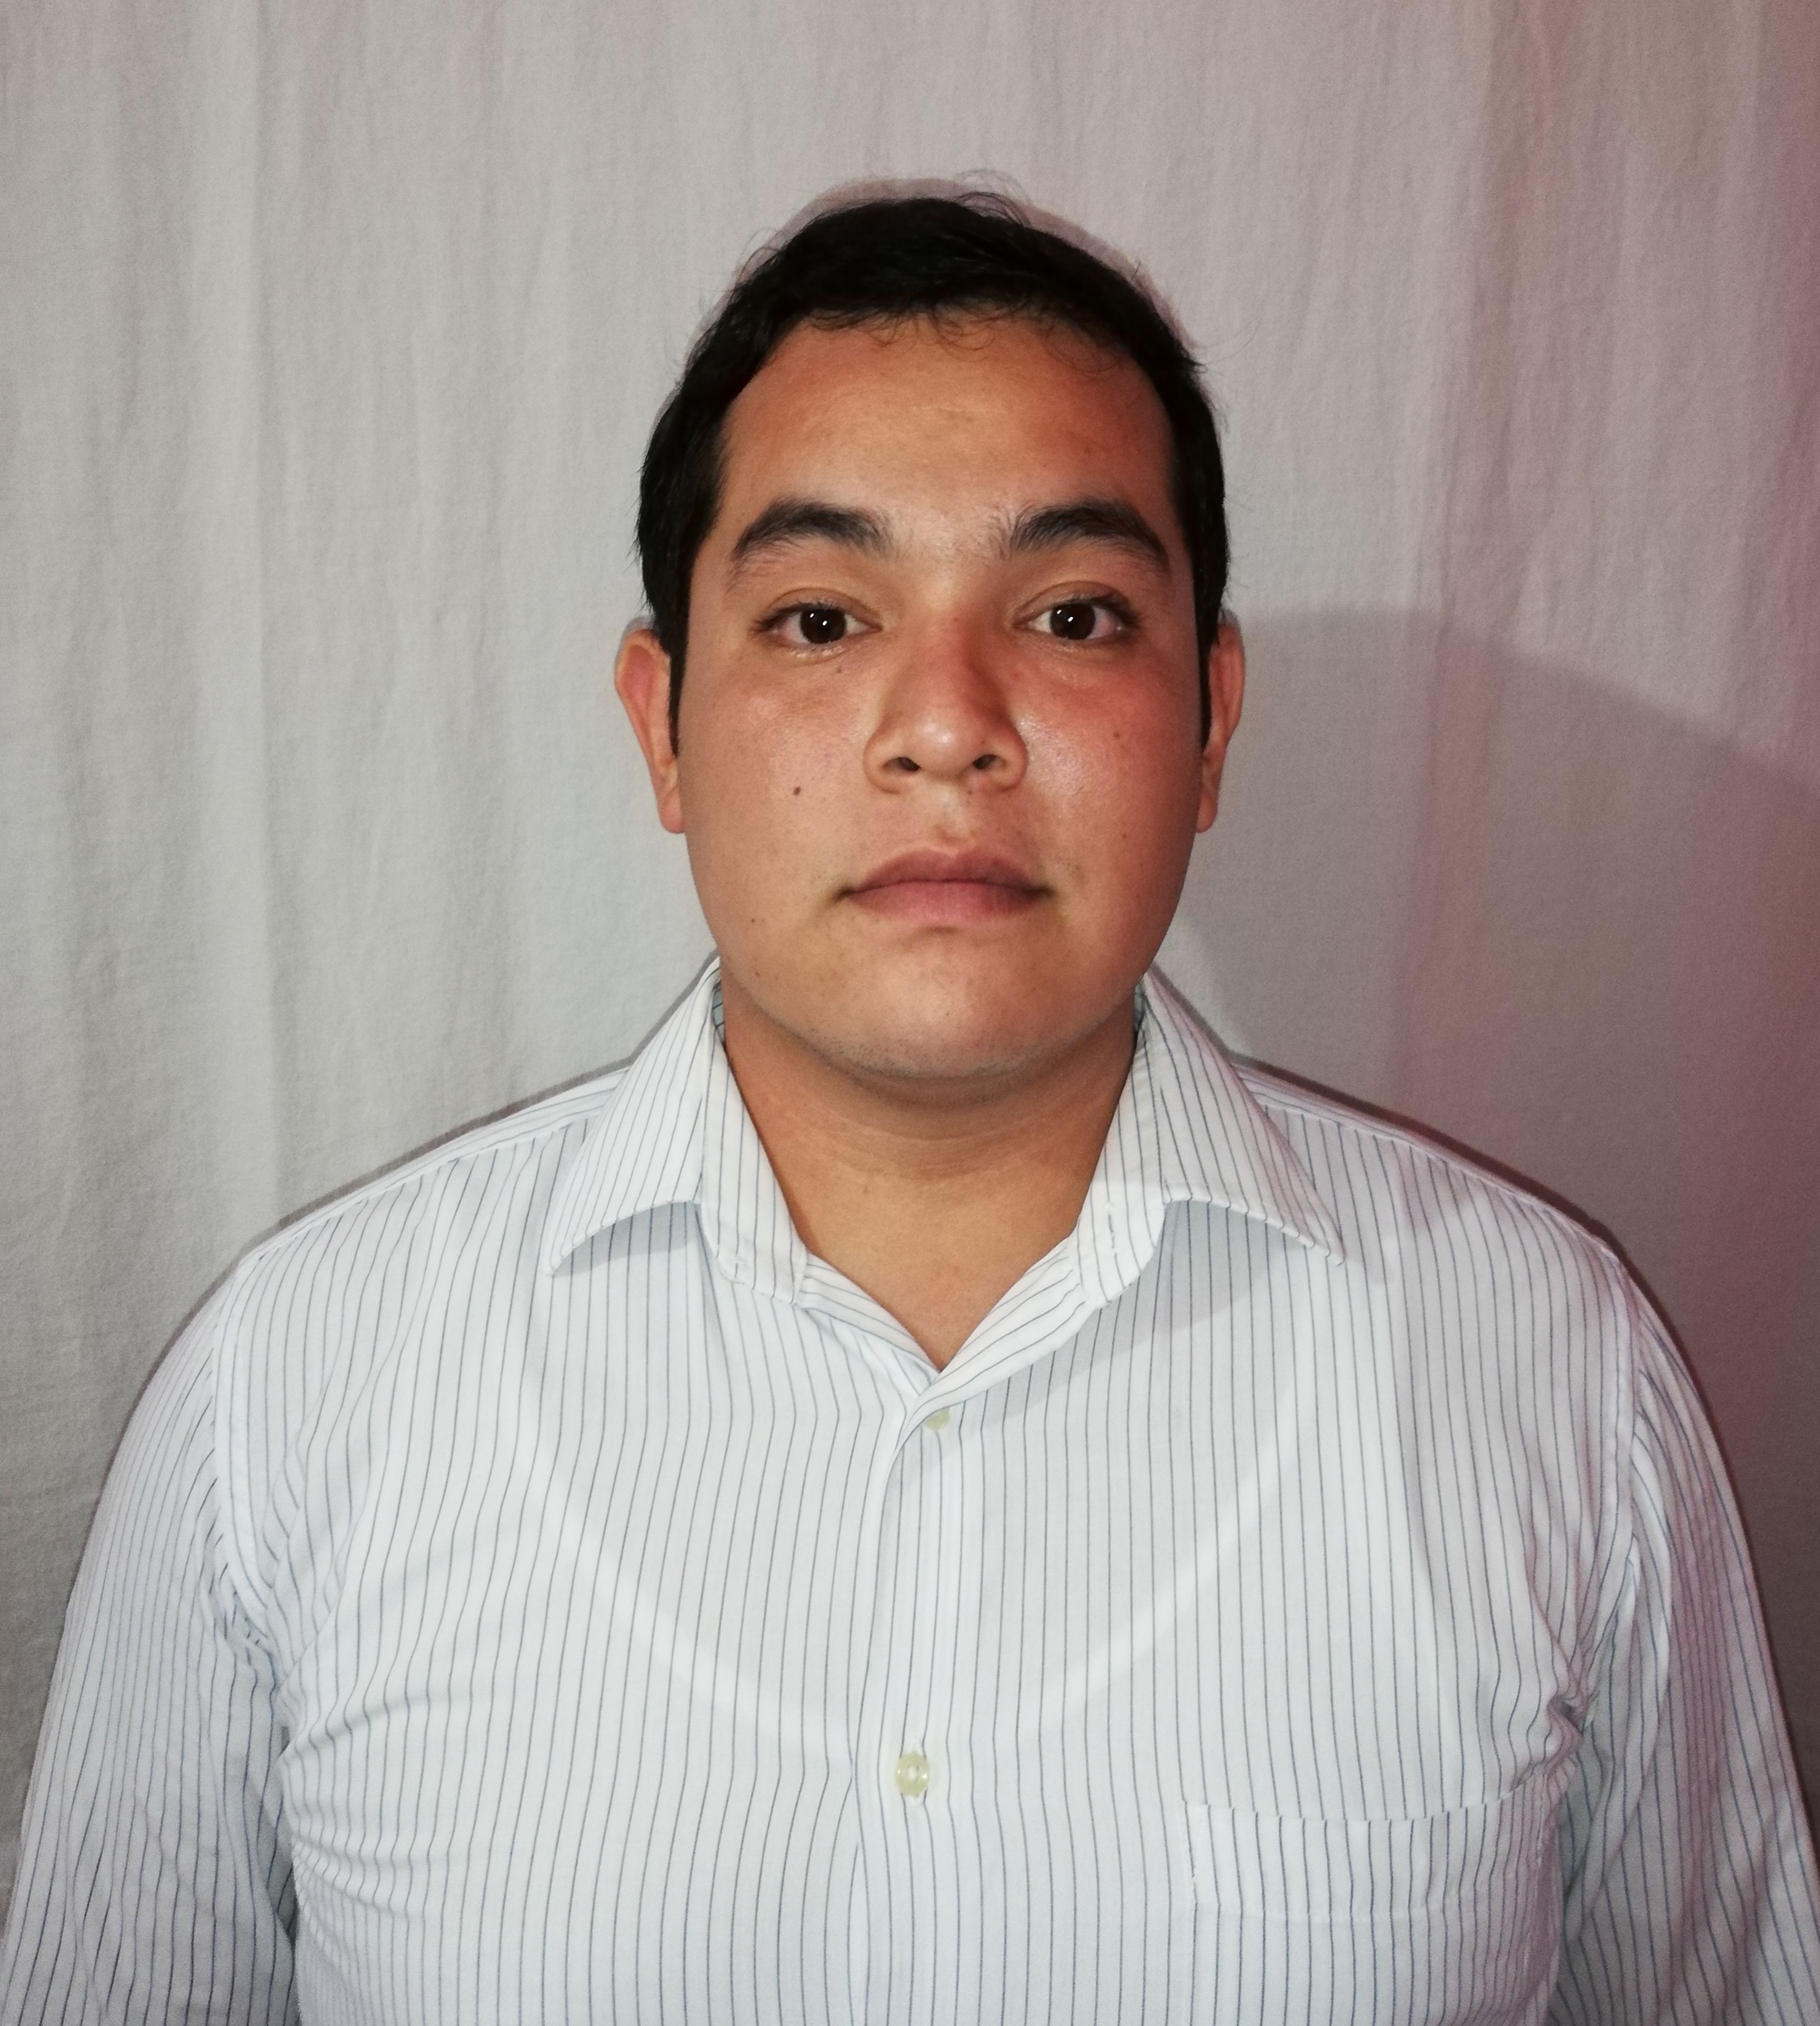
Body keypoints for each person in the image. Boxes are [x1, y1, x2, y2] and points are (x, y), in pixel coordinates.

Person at [2, 191, 1816, 2026]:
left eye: (1074, 615)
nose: (947, 725)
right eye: (820, 618)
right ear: (661, 723)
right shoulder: (293, 1397)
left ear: (1211, 720)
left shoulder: (1549, 1376)